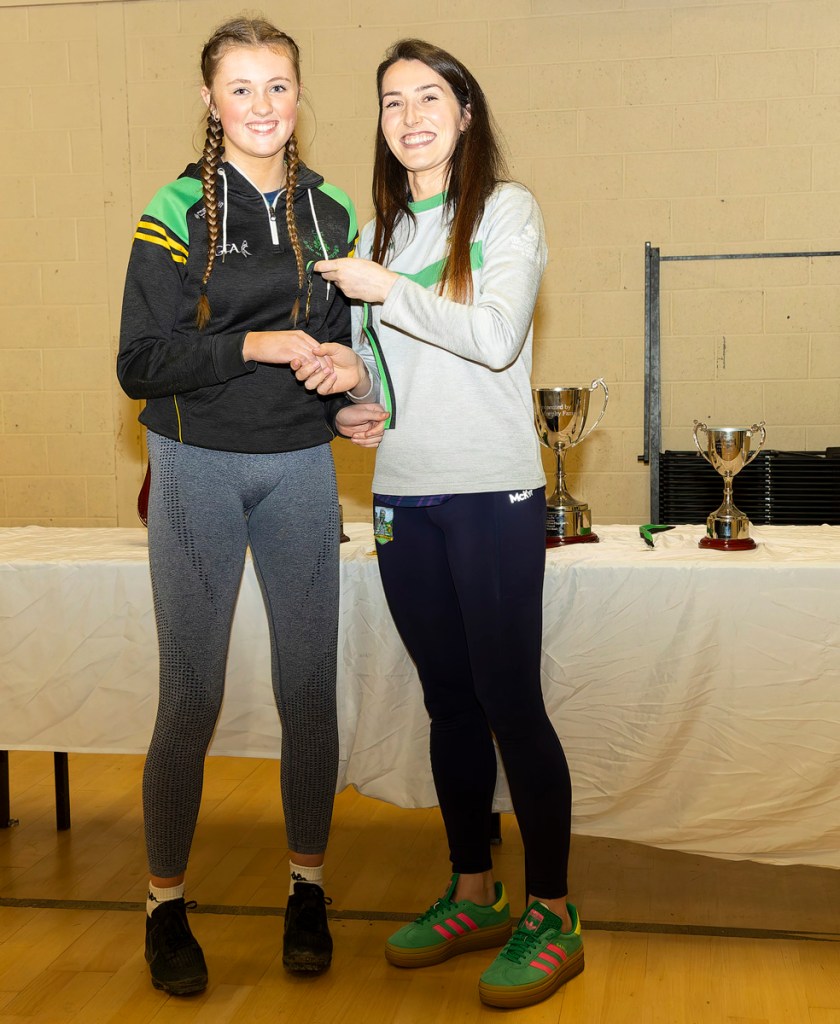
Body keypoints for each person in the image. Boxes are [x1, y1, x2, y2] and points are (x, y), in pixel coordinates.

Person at [295, 37, 584, 1011]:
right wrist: (347, 396)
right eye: (392, 101)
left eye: (430, 97)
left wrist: (390, 293)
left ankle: (554, 911)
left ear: (465, 114)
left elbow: (497, 339)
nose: (410, 115)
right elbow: (380, 378)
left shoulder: (504, 210)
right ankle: (474, 891)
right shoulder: (378, 235)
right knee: (448, 705)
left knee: (510, 701)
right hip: (401, 498)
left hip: (491, 493)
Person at [117, 15, 380, 996]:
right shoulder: (175, 209)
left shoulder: (333, 211)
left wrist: (352, 394)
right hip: (196, 465)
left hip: (300, 466)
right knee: (191, 693)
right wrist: (253, 345)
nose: (262, 105)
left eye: (278, 86)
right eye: (242, 87)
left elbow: (348, 347)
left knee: (309, 687)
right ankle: (165, 902)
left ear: (300, 96)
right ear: (210, 101)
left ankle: (307, 887)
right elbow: (139, 362)